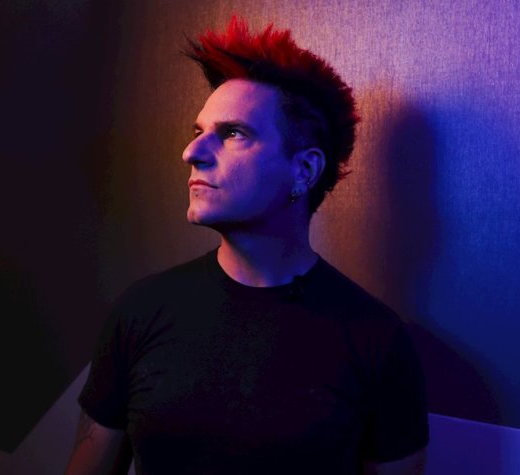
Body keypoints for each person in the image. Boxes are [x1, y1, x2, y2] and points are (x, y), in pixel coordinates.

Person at [65, 16, 429, 475]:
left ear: (303, 171)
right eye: (198, 132)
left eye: (233, 133)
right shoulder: (140, 312)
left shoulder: (377, 341)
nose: (192, 153)